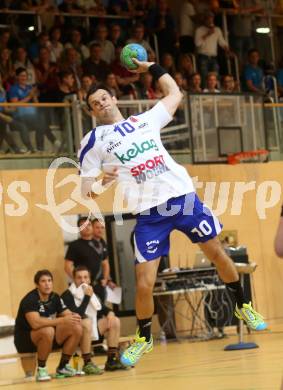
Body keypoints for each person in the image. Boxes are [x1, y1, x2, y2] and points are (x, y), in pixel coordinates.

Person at [78, 57, 267, 368]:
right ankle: (143, 337)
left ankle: (242, 305)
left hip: (182, 198)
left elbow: (175, 93)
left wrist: (151, 66)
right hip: (149, 214)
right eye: (95, 103)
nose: (101, 103)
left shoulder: (144, 120)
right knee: (143, 282)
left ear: (113, 97)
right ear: (92, 112)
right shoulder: (93, 142)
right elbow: (86, 191)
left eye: (103, 97)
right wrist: (101, 181)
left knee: (217, 253)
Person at [14, 270, 82, 381]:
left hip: (48, 337)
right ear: (37, 285)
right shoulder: (30, 299)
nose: (47, 284)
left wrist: (74, 317)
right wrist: (62, 320)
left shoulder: (55, 297)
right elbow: (35, 324)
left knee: (76, 327)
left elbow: (68, 315)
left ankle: (63, 366)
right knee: (48, 330)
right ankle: (42, 369)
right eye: (43, 281)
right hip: (25, 339)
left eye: (50, 281)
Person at [61, 266, 125, 371]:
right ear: (74, 279)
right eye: (79, 278)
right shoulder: (67, 295)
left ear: (89, 279)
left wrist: (110, 313)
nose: (83, 280)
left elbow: (103, 308)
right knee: (86, 322)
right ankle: (87, 363)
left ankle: (111, 360)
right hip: (75, 333)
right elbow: (78, 315)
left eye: (86, 277)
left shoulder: (92, 293)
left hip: (91, 329)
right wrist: (86, 297)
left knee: (115, 321)